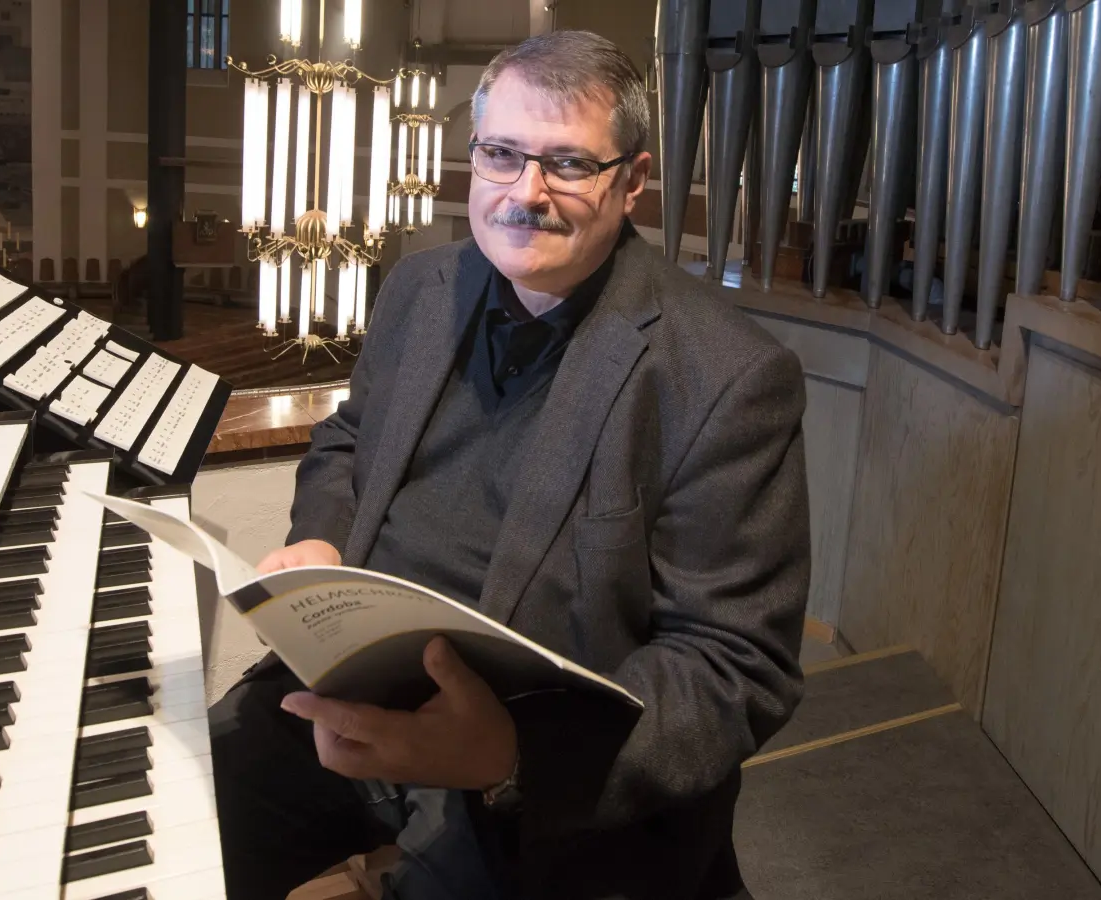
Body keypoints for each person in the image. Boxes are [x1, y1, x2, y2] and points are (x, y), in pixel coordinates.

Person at [209, 30, 811, 900]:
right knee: (182, 807)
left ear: (631, 181)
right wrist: (322, 544)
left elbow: (733, 667)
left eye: (568, 164)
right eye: (502, 155)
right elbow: (348, 441)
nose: (526, 194)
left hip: (544, 770)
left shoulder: (729, 374)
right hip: (362, 688)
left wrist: (510, 755)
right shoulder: (419, 289)